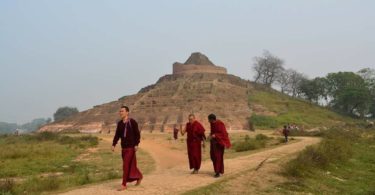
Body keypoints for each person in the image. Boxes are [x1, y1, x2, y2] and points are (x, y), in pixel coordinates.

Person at [112, 106, 143, 191]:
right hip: (123, 148)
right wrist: (114, 144)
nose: (120, 113)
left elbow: (137, 134)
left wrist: (136, 144)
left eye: (122, 111)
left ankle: (124, 184)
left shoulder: (132, 122)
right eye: (120, 111)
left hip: (131, 148)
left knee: (125, 166)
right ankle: (139, 176)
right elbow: (117, 135)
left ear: (127, 112)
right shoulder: (120, 123)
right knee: (130, 165)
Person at [208, 114, 231, 178]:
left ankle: (217, 172)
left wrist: (215, 135)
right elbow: (213, 132)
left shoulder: (220, 123)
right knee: (213, 156)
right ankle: (217, 170)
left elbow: (223, 133)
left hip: (219, 144)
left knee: (218, 157)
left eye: (209, 120)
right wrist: (210, 135)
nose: (208, 121)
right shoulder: (212, 124)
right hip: (213, 143)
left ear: (212, 119)